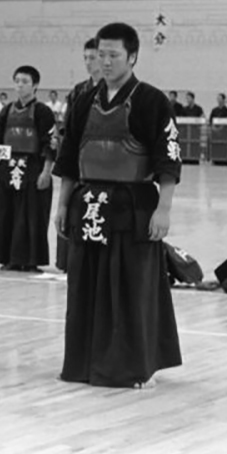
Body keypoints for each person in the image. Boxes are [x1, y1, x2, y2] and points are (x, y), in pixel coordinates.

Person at [54, 21, 182, 388]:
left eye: (113, 55)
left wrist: (164, 209)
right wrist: (62, 206)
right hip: (88, 205)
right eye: (100, 55)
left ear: (133, 56)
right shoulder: (83, 100)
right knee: (84, 287)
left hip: (133, 207)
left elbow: (168, 159)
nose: (104, 62)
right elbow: (68, 159)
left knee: (130, 289)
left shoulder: (151, 100)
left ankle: (132, 367)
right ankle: (83, 364)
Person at [0, 66, 56, 272]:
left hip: (32, 167)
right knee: (6, 213)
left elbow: (50, 143)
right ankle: (9, 258)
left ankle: (30, 260)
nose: (20, 85)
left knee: (31, 214)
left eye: (24, 81)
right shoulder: (6, 110)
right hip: (8, 168)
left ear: (35, 85)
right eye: (17, 81)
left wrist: (46, 171)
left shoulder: (43, 112)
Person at [55, 37, 102, 272]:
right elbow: (68, 128)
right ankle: (68, 263)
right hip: (78, 161)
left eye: (92, 57)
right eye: (85, 58)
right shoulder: (78, 91)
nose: (88, 62)